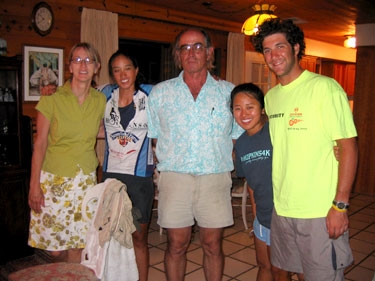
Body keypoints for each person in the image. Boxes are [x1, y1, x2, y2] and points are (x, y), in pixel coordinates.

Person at [252, 18, 358, 281]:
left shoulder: (324, 88)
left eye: (279, 46)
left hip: (319, 211)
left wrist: (340, 206)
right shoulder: (271, 98)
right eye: (267, 50)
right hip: (284, 208)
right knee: (294, 274)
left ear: (296, 48)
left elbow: (348, 146)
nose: (273, 56)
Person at [146, 28, 241, 281]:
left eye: (198, 46)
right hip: (174, 178)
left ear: (209, 52)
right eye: (184, 48)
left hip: (215, 177)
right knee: (176, 244)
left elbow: (238, 136)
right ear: (177, 54)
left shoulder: (228, 93)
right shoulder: (160, 93)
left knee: (212, 245)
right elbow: (155, 136)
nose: (191, 53)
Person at [28, 42, 106, 263]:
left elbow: (97, 131)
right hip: (55, 179)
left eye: (88, 60)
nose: (83, 65)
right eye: (77, 60)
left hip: (85, 180)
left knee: (79, 242)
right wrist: (34, 185)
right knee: (55, 248)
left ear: (97, 67)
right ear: (69, 66)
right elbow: (40, 143)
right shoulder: (51, 98)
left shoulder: (100, 100)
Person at [98, 50, 154, 281]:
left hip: (139, 179)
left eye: (128, 68)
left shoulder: (151, 93)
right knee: (109, 236)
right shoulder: (104, 94)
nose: (123, 74)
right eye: (117, 69)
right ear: (111, 74)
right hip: (110, 177)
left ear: (136, 70)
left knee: (138, 237)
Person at [231, 83, 291, 281]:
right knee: (263, 265)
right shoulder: (241, 144)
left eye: (250, 107)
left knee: (280, 270)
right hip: (262, 218)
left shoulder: (275, 131)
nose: (244, 113)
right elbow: (251, 183)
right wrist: (256, 215)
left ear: (262, 108)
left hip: (283, 216)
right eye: (237, 108)